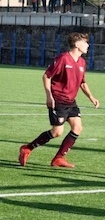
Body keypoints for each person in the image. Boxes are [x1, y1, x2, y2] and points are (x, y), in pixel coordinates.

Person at [18, 32, 100, 168]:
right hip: (58, 100)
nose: (88, 45)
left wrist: (92, 97)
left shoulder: (82, 62)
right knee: (57, 132)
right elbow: (46, 76)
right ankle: (27, 148)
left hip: (71, 101)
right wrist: (49, 96)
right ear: (77, 44)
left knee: (77, 128)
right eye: (85, 42)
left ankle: (58, 158)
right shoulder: (63, 59)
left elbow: (82, 83)